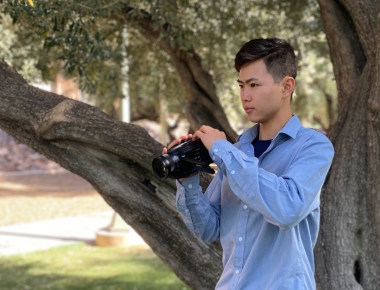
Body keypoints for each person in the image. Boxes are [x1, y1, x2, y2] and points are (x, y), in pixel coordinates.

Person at [164, 38, 334, 290]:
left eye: (254, 85)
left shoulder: (313, 147)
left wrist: (221, 150)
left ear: (287, 86)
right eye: (241, 85)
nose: (244, 96)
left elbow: (287, 208)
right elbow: (209, 229)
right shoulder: (237, 151)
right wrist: (186, 179)